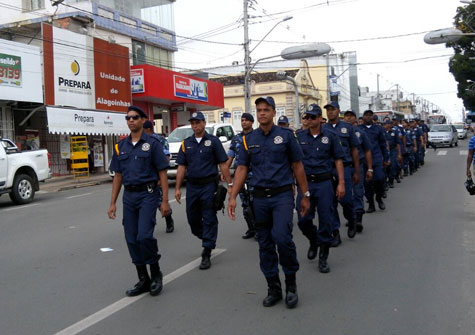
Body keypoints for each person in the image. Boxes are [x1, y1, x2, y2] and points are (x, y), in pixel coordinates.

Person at [228, 96, 310, 309]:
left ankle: (291, 284)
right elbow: (242, 168)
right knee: (264, 243)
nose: (262, 113)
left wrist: (305, 195)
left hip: (282, 196)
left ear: (273, 112)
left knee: (282, 239)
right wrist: (233, 197)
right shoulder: (249, 139)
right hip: (259, 199)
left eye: (266, 109)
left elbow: (297, 166)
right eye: (259, 110)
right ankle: (273, 287)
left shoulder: (286, 136)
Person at [108, 105, 171, 297]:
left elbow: (162, 172)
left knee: (144, 236)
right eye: (128, 118)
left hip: (148, 194)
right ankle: (143, 278)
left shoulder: (153, 144)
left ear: (143, 120)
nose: (131, 121)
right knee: (131, 238)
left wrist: (165, 201)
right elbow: (118, 175)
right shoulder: (121, 146)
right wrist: (112, 203)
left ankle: (155, 273)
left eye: (134, 117)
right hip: (129, 196)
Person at [175, 111, 232, 270]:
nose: (195, 125)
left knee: (208, 216)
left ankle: (206, 251)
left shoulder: (213, 141)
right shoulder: (186, 143)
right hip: (192, 186)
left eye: (198, 122)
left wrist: (230, 184)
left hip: (209, 185)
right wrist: (178, 187)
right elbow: (181, 167)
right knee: (192, 218)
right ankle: (207, 236)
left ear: (204, 123)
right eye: (193, 123)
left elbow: (223, 164)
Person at [296, 104, 345, 273]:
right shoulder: (299, 136)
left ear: (319, 119)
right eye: (307, 117)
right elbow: (294, 162)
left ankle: (323, 257)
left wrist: (341, 183)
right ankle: (313, 240)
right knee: (303, 220)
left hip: (324, 183)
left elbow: (338, 160)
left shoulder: (330, 136)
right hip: (306, 184)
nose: (308, 120)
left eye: (312, 117)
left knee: (326, 220)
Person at [323, 101, 360, 244]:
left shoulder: (347, 128)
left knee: (346, 201)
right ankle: (335, 232)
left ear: (338, 111)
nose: (330, 112)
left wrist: (356, 171)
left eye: (333, 109)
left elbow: (354, 150)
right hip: (328, 169)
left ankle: (351, 220)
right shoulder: (323, 128)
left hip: (345, 167)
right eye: (328, 110)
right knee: (330, 203)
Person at [225, 112, 256, 239]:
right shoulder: (236, 138)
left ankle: (259, 229)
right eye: (242, 120)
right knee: (245, 203)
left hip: (255, 175)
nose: (243, 122)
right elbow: (230, 155)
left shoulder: (256, 136)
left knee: (255, 203)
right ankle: (251, 228)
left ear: (251, 122)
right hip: (241, 176)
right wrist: (225, 169)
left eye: (246, 120)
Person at [343, 110, 373, 233]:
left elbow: (367, 150)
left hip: (358, 166)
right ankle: (351, 217)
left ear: (355, 119)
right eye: (347, 116)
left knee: (358, 192)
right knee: (345, 196)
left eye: (351, 116)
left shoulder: (360, 133)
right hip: (344, 167)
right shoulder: (337, 132)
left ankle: (358, 219)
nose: (349, 119)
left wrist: (370, 168)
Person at [143, 120, 175, 233]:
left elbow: (165, 159)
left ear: (149, 130)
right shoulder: (141, 141)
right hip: (145, 178)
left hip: (158, 176)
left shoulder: (160, 140)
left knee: (161, 201)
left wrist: (161, 178)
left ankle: (168, 219)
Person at [359, 110, 389, 213]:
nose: (367, 117)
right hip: (363, 161)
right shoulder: (358, 129)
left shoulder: (378, 129)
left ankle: (379, 198)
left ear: (372, 117)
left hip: (376, 159)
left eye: (369, 115)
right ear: (363, 117)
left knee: (379, 179)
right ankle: (371, 203)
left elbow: (383, 145)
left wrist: (386, 158)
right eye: (365, 115)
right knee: (367, 184)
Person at [383, 119, 402, 189]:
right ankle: (385, 182)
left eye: (388, 124)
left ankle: (391, 181)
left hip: (393, 150)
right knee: (385, 166)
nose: (386, 125)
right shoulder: (382, 132)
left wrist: (399, 154)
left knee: (393, 165)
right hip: (384, 151)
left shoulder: (394, 132)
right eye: (385, 124)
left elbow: (398, 143)